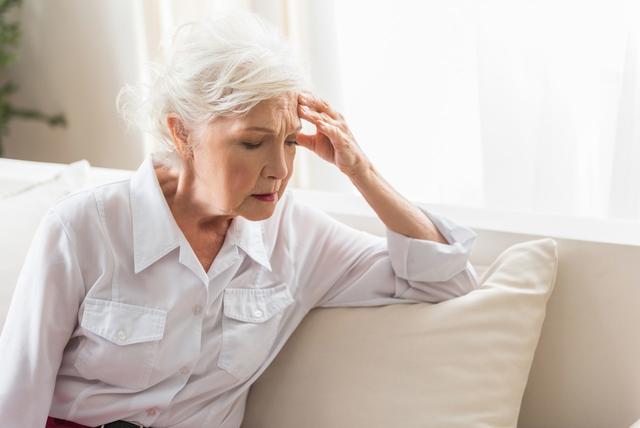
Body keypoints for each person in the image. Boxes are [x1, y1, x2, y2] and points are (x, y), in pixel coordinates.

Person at [0, 10, 479, 428]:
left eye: (290, 141)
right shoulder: (83, 228)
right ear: (182, 133)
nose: (281, 169)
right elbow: (16, 397)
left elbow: (445, 280)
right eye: (253, 143)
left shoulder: (297, 236)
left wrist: (361, 170)